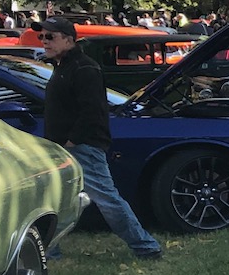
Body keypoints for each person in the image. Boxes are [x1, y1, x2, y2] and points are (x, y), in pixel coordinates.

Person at [38, 17, 163, 261]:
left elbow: (93, 112)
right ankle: (49, 250)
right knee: (58, 199)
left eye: (50, 36)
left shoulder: (84, 68)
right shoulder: (62, 66)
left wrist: (73, 141)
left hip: (83, 147)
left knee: (107, 199)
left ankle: (146, 246)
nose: (44, 41)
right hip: (63, 147)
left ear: (68, 40)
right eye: (42, 36)